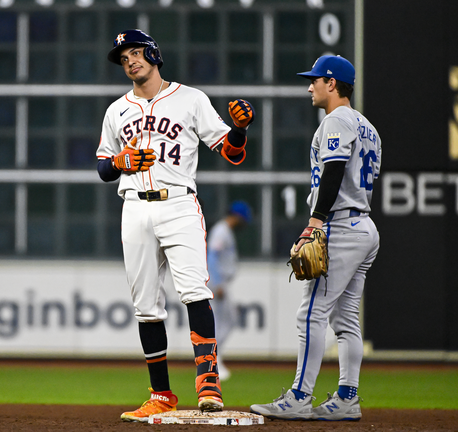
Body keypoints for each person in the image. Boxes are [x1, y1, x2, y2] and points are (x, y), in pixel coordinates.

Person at [95, 29, 255, 422]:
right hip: (133, 207)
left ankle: (208, 382)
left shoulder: (191, 99)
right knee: (146, 306)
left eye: (135, 52)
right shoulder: (117, 110)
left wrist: (239, 131)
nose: (129, 61)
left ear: (152, 53)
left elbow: (231, 153)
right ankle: (161, 394)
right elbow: (102, 166)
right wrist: (120, 163)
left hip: (179, 203)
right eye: (123, 57)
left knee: (194, 292)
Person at [250, 55, 381, 421]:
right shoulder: (368, 127)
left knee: (310, 312)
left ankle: (299, 397)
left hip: (340, 225)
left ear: (332, 83)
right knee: (346, 319)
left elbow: (334, 170)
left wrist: (316, 221)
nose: (310, 86)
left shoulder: (336, 120)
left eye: (316, 80)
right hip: (364, 226)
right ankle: (347, 398)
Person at [207, 200, 252, 381]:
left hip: (220, 283)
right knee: (224, 321)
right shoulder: (221, 230)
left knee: (225, 321)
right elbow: (212, 257)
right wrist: (217, 284)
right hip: (217, 284)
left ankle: (215, 360)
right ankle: (214, 361)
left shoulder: (225, 231)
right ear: (238, 216)